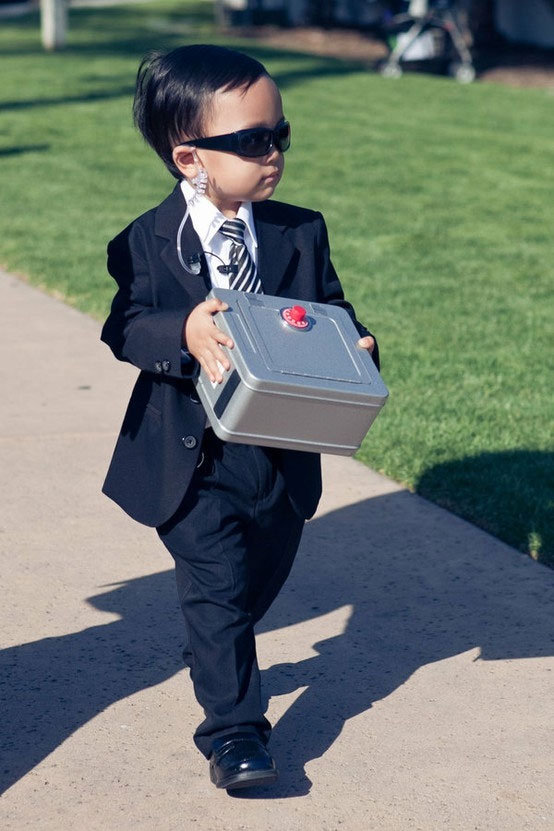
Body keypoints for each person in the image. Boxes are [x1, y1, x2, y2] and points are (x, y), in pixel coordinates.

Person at [100, 44, 379, 791]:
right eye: (253, 141)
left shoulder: (297, 232)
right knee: (218, 583)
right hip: (193, 459)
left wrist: (353, 341)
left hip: (279, 452)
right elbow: (125, 325)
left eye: (280, 134)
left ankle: (216, 643)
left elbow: (330, 307)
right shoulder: (147, 241)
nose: (274, 154)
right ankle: (235, 734)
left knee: (258, 575)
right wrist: (183, 332)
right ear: (189, 157)